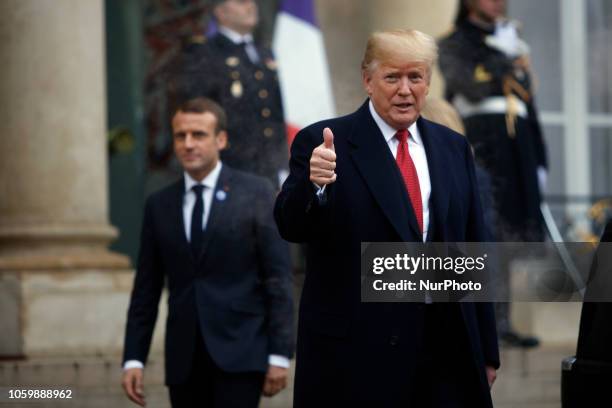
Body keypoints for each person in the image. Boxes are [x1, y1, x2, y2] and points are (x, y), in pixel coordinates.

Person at [275, 29, 499, 407]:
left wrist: (487, 349)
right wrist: (314, 184)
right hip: (357, 358)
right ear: (367, 80)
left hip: (445, 351)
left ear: (429, 81)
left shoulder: (453, 147)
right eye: (392, 77)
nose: (405, 90)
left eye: (416, 77)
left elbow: (471, 251)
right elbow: (291, 227)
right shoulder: (325, 142)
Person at [121, 97, 294, 408]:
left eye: (198, 134)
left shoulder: (256, 193)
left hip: (242, 354)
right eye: (180, 135)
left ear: (221, 139)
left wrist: (280, 353)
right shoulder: (159, 205)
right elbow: (145, 290)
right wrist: (133, 359)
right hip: (183, 362)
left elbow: (277, 279)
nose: (188, 144)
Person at [438, 0, 547, 348]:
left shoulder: (512, 42)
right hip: (482, 146)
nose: (497, 2)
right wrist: (502, 56)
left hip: (518, 152)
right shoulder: (453, 42)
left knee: (510, 238)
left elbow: (528, 105)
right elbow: (472, 87)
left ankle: (501, 320)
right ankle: (475, 319)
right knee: (483, 233)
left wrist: (540, 159)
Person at [179, 0, 288, 188]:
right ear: (220, 11)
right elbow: (200, 113)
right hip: (232, 167)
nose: (251, 6)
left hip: (270, 168)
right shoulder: (205, 53)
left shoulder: (263, 52)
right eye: (241, 2)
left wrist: (282, 163)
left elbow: (275, 111)